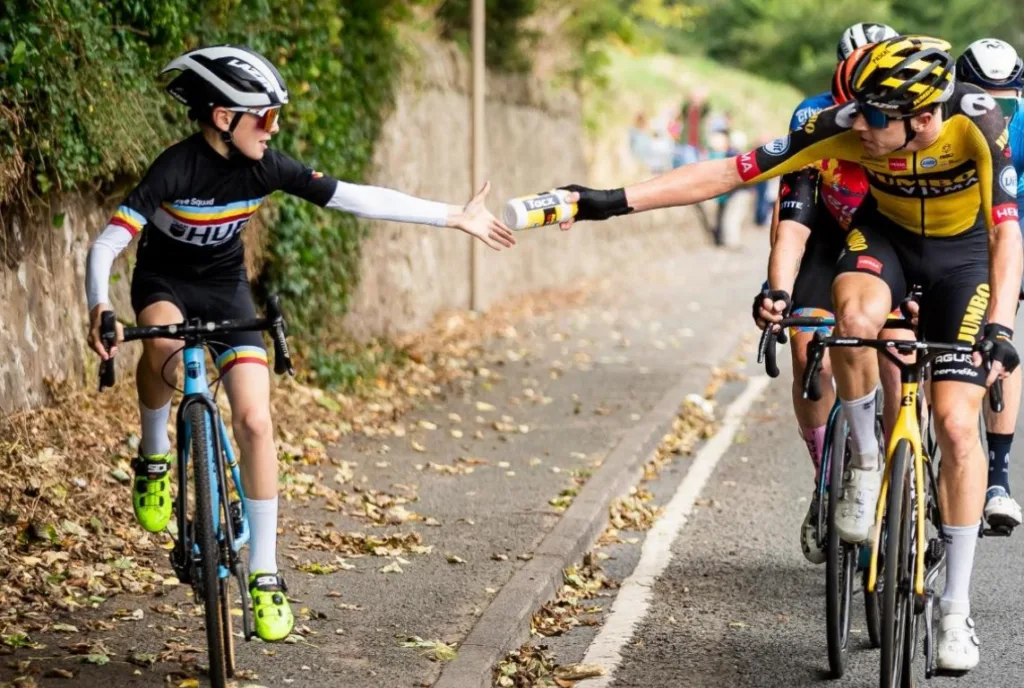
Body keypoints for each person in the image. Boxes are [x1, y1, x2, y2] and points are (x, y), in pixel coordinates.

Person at [551, 36, 1022, 672]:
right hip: (883, 239)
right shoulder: (848, 126)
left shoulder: (978, 123)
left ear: (923, 117)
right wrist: (607, 202)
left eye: (876, 116)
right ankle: (860, 461)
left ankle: (954, 609)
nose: (860, 124)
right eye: (856, 110)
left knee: (957, 425)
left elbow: (1005, 232)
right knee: (850, 319)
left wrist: (998, 326)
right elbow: (728, 171)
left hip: (963, 259)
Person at [85, 45, 514, 642]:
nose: (274, 127)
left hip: (228, 290)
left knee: (257, 422)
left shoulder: (268, 167)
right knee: (162, 347)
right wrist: (100, 306)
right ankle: (155, 455)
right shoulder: (172, 170)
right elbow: (106, 245)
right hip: (165, 284)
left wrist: (452, 216)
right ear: (221, 117)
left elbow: (358, 197)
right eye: (264, 116)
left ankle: (264, 574)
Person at [754, 45, 873, 564]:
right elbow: (791, 231)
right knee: (809, 351)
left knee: (898, 355)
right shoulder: (813, 123)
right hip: (826, 241)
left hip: (891, 242)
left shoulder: (913, 136)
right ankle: (826, 483)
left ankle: (899, 472)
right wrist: (776, 289)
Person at [955, 38, 1024, 532]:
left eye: (1008, 98)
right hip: (951, 234)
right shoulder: (946, 115)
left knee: (1003, 333)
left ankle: (997, 479)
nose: (996, 106)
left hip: (1006, 231)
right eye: (984, 94)